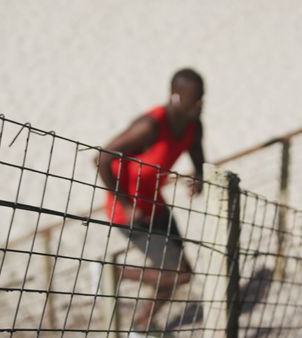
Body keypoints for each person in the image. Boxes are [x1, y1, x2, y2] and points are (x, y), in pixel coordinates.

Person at [97, 68, 205, 331]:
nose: (201, 104)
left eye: (203, 97)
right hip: (128, 213)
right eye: (195, 98)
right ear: (177, 97)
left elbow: (198, 158)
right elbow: (102, 158)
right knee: (180, 274)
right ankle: (110, 273)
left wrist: (198, 179)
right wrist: (125, 204)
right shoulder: (150, 126)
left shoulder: (193, 125)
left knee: (177, 273)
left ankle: (141, 326)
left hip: (156, 206)